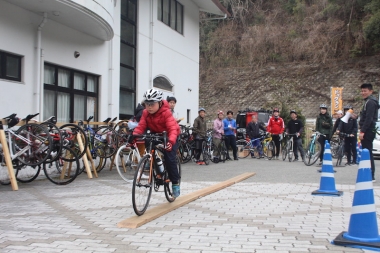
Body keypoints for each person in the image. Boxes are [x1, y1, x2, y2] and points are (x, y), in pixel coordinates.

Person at [132, 88, 181, 197]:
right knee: (149, 145)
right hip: (155, 133)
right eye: (147, 104)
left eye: (152, 104)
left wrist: (171, 142)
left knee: (169, 158)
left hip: (170, 134)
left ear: (159, 103)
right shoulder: (145, 113)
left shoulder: (166, 112)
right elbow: (141, 127)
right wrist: (133, 137)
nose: (149, 107)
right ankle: (157, 169)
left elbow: (173, 129)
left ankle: (175, 183)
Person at [359, 83, 379, 181]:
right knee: (367, 151)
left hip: (368, 130)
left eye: (365, 91)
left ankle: (371, 175)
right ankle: (368, 173)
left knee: (367, 152)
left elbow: (369, 118)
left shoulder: (370, 102)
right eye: (362, 91)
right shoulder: (368, 101)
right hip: (368, 129)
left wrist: (362, 131)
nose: (363, 93)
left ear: (370, 91)